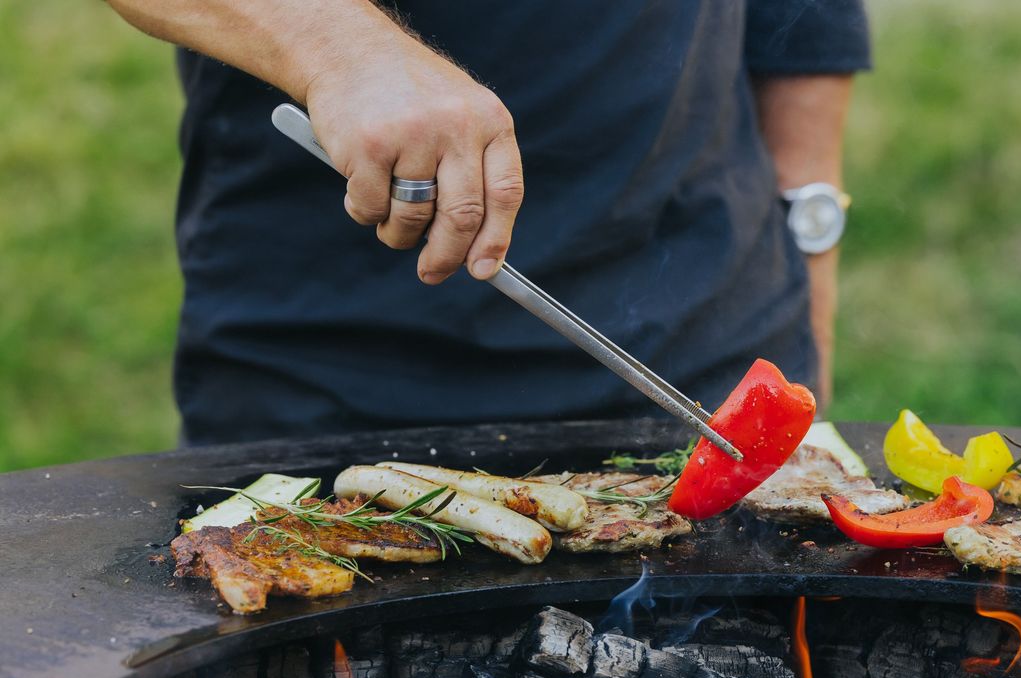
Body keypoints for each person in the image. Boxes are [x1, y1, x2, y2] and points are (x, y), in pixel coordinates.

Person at [103, 0, 871, 444]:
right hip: (335, 388)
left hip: (704, 380)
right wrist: (343, 49)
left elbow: (802, 21)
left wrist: (808, 235)